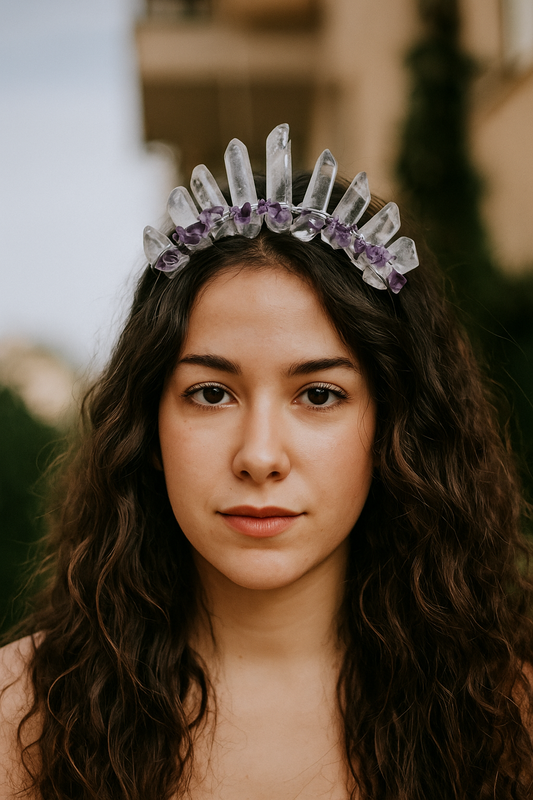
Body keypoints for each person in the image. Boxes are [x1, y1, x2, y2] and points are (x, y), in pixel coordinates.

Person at [1, 124, 533, 800]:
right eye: (211, 393)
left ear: (394, 426)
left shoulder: (505, 722)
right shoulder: (23, 715)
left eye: (317, 394)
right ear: (146, 424)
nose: (258, 456)